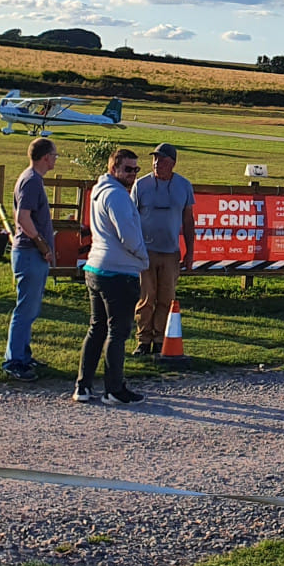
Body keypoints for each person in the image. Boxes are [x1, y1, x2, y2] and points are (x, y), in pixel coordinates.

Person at [76, 147, 147, 406]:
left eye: (136, 169)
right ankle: (114, 389)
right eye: (128, 169)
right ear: (113, 168)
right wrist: (142, 256)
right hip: (119, 270)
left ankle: (83, 386)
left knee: (97, 328)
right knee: (118, 332)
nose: (132, 174)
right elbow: (127, 235)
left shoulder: (99, 190)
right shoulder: (117, 196)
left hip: (96, 267)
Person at [132, 142, 195, 355]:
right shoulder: (141, 186)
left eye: (163, 160)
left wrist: (190, 252)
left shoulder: (184, 186)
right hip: (145, 251)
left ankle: (160, 338)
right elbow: (131, 218)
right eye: (155, 159)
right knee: (146, 297)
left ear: (173, 164)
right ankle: (143, 340)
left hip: (170, 252)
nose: (157, 163)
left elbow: (188, 221)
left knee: (166, 298)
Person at [4, 137, 57, 382]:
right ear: (45, 156)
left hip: (29, 252)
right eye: (54, 155)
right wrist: (42, 243)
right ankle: (14, 360)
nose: (56, 159)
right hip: (29, 252)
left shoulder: (31, 179)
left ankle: (23, 354)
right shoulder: (32, 181)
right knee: (25, 309)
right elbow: (24, 218)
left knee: (31, 307)